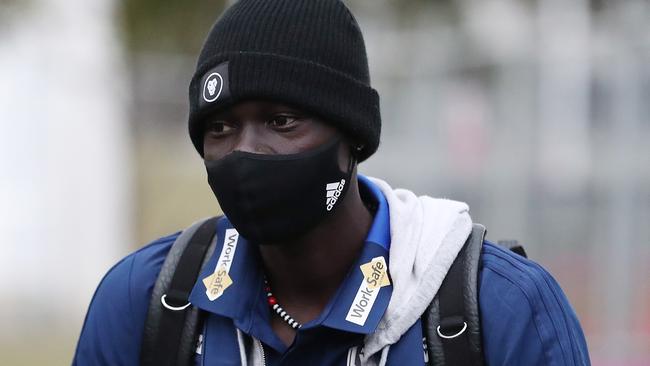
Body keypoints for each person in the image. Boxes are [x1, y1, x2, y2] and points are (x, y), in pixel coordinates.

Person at [73, 0, 591, 365]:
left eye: (282, 121)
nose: (245, 151)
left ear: (352, 139)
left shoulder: (500, 310)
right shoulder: (146, 304)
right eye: (220, 127)